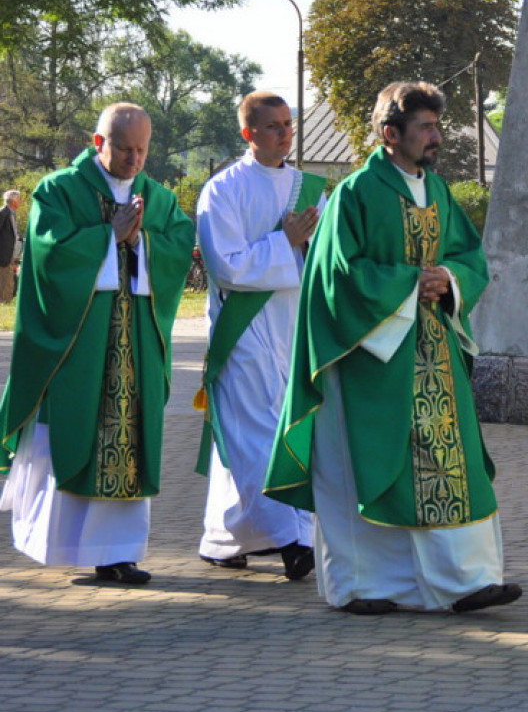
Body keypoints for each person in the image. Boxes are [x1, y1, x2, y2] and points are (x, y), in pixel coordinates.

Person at [265, 81, 521, 614]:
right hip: (370, 357)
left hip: (433, 350)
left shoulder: (440, 191)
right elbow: (338, 275)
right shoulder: (355, 193)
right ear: (390, 133)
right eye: (426, 127)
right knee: (368, 467)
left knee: (451, 463)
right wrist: (410, 283)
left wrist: (447, 280)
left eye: (436, 126)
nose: (437, 137)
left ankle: (464, 581)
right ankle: (362, 584)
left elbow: (470, 258)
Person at [0, 103, 194, 584]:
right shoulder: (59, 190)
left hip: (135, 345)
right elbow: (49, 256)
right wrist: (107, 237)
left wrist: (143, 242)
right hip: (77, 345)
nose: (134, 160)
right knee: (71, 428)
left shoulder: (158, 197)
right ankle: (60, 543)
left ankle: (118, 552)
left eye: (142, 150)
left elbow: (179, 244)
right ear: (98, 143)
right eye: (124, 149)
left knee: (128, 435)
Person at [193, 91, 324, 580]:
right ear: (248, 133)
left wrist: (307, 243)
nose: (284, 133)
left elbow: (326, 258)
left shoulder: (310, 188)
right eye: (272, 126)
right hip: (242, 331)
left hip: (292, 326)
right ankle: (294, 539)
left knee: (279, 433)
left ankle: (223, 540)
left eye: (288, 124)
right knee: (255, 438)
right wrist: (284, 242)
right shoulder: (222, 190)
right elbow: (225, 266)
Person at [0, 190, 21, 303]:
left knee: (8, 278)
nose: (21, 202)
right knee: (5, 278)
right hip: (4, 253)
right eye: (19, 199)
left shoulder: (12, 213)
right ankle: (5, 300)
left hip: (10, 253)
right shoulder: (3, 212)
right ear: (13, 201)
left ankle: (5, 300)